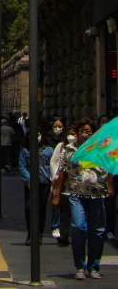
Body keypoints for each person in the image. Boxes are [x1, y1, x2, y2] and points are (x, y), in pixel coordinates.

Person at [53, 117, 113, 279]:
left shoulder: (101, 149)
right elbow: (62, 173)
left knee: (97, 231)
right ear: (77, 134)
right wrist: (57, 195)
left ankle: (93, 266)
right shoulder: (70, 151)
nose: (85, 134)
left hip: (97, 193)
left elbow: (110, 167)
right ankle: (80, 266)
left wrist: (110, 187)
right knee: (79, 227)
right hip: (76, 194)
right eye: (82, 131)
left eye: (88, 131)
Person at [19, 129, 54, 246]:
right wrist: (29, 179)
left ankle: (39, 235)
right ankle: (30, 233)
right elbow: (22, 166)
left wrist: (52, 183)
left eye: (37, 134)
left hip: (44, 182)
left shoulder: (49, 150)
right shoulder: (25, 151)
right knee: (28, 208)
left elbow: (53, 166)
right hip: (30, 184)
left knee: (41, 208)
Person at [50, 124, 77, 247]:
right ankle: (63, 234)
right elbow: (54, 163)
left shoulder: (83, 148)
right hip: (65, 184)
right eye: (70, 134)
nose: (72, 137)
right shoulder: (62, 147)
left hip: (79, 186)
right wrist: (54, 178)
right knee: (65, 211)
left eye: (74, 134)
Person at [46, 117, 66, 239]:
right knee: (55, 199)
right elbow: (52, 162)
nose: (57, 129)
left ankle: (63, 226)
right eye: (55, 126)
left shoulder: (65, 142)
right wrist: (54, 177)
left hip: (66, 176)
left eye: (60, 126)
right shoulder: (51, 141)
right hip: (54, 176)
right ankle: (55, 225)